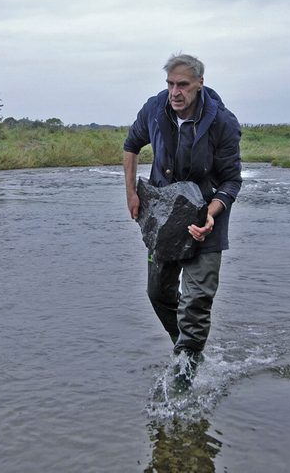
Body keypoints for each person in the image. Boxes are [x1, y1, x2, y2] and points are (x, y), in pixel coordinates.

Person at [123, 53, 242, 373]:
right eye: (170, 84)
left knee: (197, 300)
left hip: (207, 217)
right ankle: (185, 344)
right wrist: (131, 193)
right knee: (157, 292)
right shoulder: (154, 109)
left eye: (183, 85)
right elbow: (131, 144)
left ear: (200, 85)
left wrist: (212, 214)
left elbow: (232, 180)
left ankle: (187, 363)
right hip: (162, 219)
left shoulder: (223, 122)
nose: (175, 92)